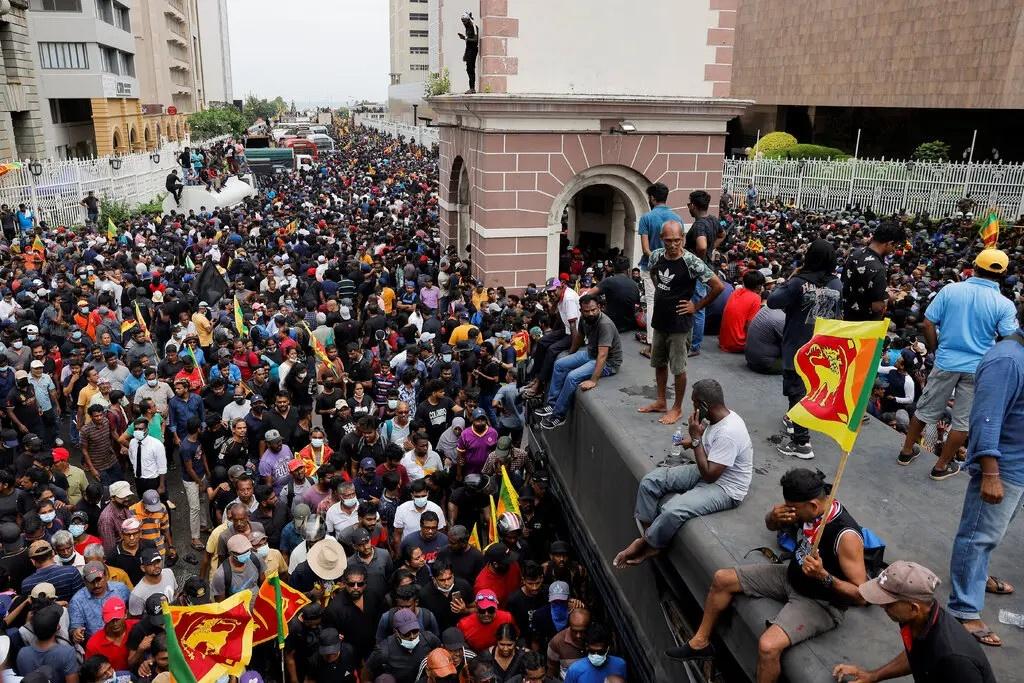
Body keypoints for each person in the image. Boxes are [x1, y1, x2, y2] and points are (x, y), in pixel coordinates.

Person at [667, 468, 869, 683]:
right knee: (722, 579)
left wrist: (824, 576)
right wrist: (773, 518)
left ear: (813, 506)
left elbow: (862, 594)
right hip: (792, 575)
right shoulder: (810, 509)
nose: (790, 511)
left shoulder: (845, 535)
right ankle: (700, 642)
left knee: (768, 646)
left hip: (821, 601)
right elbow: (771, 525)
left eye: (793, 508)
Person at [896, 249, 1017, 481]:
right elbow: (1008, 339)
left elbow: (928, 323)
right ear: (1002, 274)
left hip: (946, 361)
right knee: (963, 421)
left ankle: (906, 451)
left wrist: (935, 349)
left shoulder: (951, 290)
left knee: (924, 409)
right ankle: (941, 466)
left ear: (974, 266)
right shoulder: (1005, 304)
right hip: (979, 368)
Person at [945, 307, 1024, 648]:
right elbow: (986, 419)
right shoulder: (1008, 360)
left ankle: (974, 579)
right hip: (1002, 469)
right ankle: (964, 609)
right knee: (978, 536)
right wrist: (990, 472)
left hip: (1018, 468)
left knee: (991, 535)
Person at [613, 379, 753, 567]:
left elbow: (710, 475)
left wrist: (695, 439)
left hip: (725, 487)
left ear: (704, 405)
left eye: (695, 403)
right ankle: (650, 537)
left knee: (672, 510)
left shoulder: (729, 432)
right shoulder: (716, 419)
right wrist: (695, 439)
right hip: (709, 467)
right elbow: (710, 445)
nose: (692, 407)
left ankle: (648, 545)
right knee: (650, 481)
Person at [833, 561, 995, 683]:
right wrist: (872, 675)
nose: (881, 606)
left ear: (913, 608)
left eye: (888, 603)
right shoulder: (920, 620)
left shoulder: (953, 661)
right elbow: (917, 653)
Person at [637, 221, 723, 425]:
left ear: (683, 239)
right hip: (660, 319)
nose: (673, 245)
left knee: (678, 368)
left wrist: (696, 306)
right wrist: (661, 293)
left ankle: (676, 408)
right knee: (658, 362)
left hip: (680, 324)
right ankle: (660, 401)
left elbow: (717, 286)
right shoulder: (657, 255)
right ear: (661, 239)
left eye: (677, 240)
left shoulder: (692, 262)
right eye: (668, 240)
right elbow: (654, 274)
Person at [767, 239, 842, 459]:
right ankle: (796, 419)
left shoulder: (798, 282)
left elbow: (772, 301)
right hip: (822, 347)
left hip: (797, 346)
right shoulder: (836, 284)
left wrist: (792, 278)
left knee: (795, 391)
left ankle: (802, 443)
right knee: (811, 388)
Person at [536, 294, 622, 430]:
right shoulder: (584, 319)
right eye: (587, 311)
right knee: (560, 364)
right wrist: (570, 354)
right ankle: (552, 405)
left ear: (599, 307)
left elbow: (603, 355)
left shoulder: (605, 324)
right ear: (581, 311)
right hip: (591, 353)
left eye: (593, 309)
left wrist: (593, 380)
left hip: (608, 362)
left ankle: (559, 416)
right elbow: (580, 337)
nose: (591, 313)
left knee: (572, 377)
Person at [637, 182, 683, 355]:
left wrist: (658, 261)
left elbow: (645, 249)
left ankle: (652, 345)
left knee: (652, 304)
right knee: (670, 303)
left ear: (652, 198)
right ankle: (669, 341)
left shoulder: (646, 218)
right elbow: (680, 247)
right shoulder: (677, 218)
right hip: (672, 267)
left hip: (651, 267)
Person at [841, 222, 905, 321]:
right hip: (861, 325)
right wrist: (889, 298)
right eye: (894, 246)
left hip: (844, 316)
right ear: (889, 243)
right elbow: (877, 306)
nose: (893, 250)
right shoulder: (878, 268)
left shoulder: (855, 254)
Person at [366, 607, 440, 683]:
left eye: (415, 631)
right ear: (396, 632)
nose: (412, 636)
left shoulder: (430, 639)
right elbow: (368, 668)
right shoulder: (384, 651)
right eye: (406, 633)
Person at [718, 270, 765, 353]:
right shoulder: (756, 298)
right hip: (738, 344)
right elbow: (749, 326)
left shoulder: (736, 292)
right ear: (759, 286)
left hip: (724, 342)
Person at [457, 11, 479, 94]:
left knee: (470, 69)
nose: (463, 23)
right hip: (469, 50)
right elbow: (468, 42)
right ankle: (471, 88)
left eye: (464, 21)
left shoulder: (473, 26)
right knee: (468, 69)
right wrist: (465, 54)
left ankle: (472, 88)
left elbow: (475, 40)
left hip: (473, 50)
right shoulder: (467, 27)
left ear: (468, 20)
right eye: (462, 21)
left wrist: (464, 38)